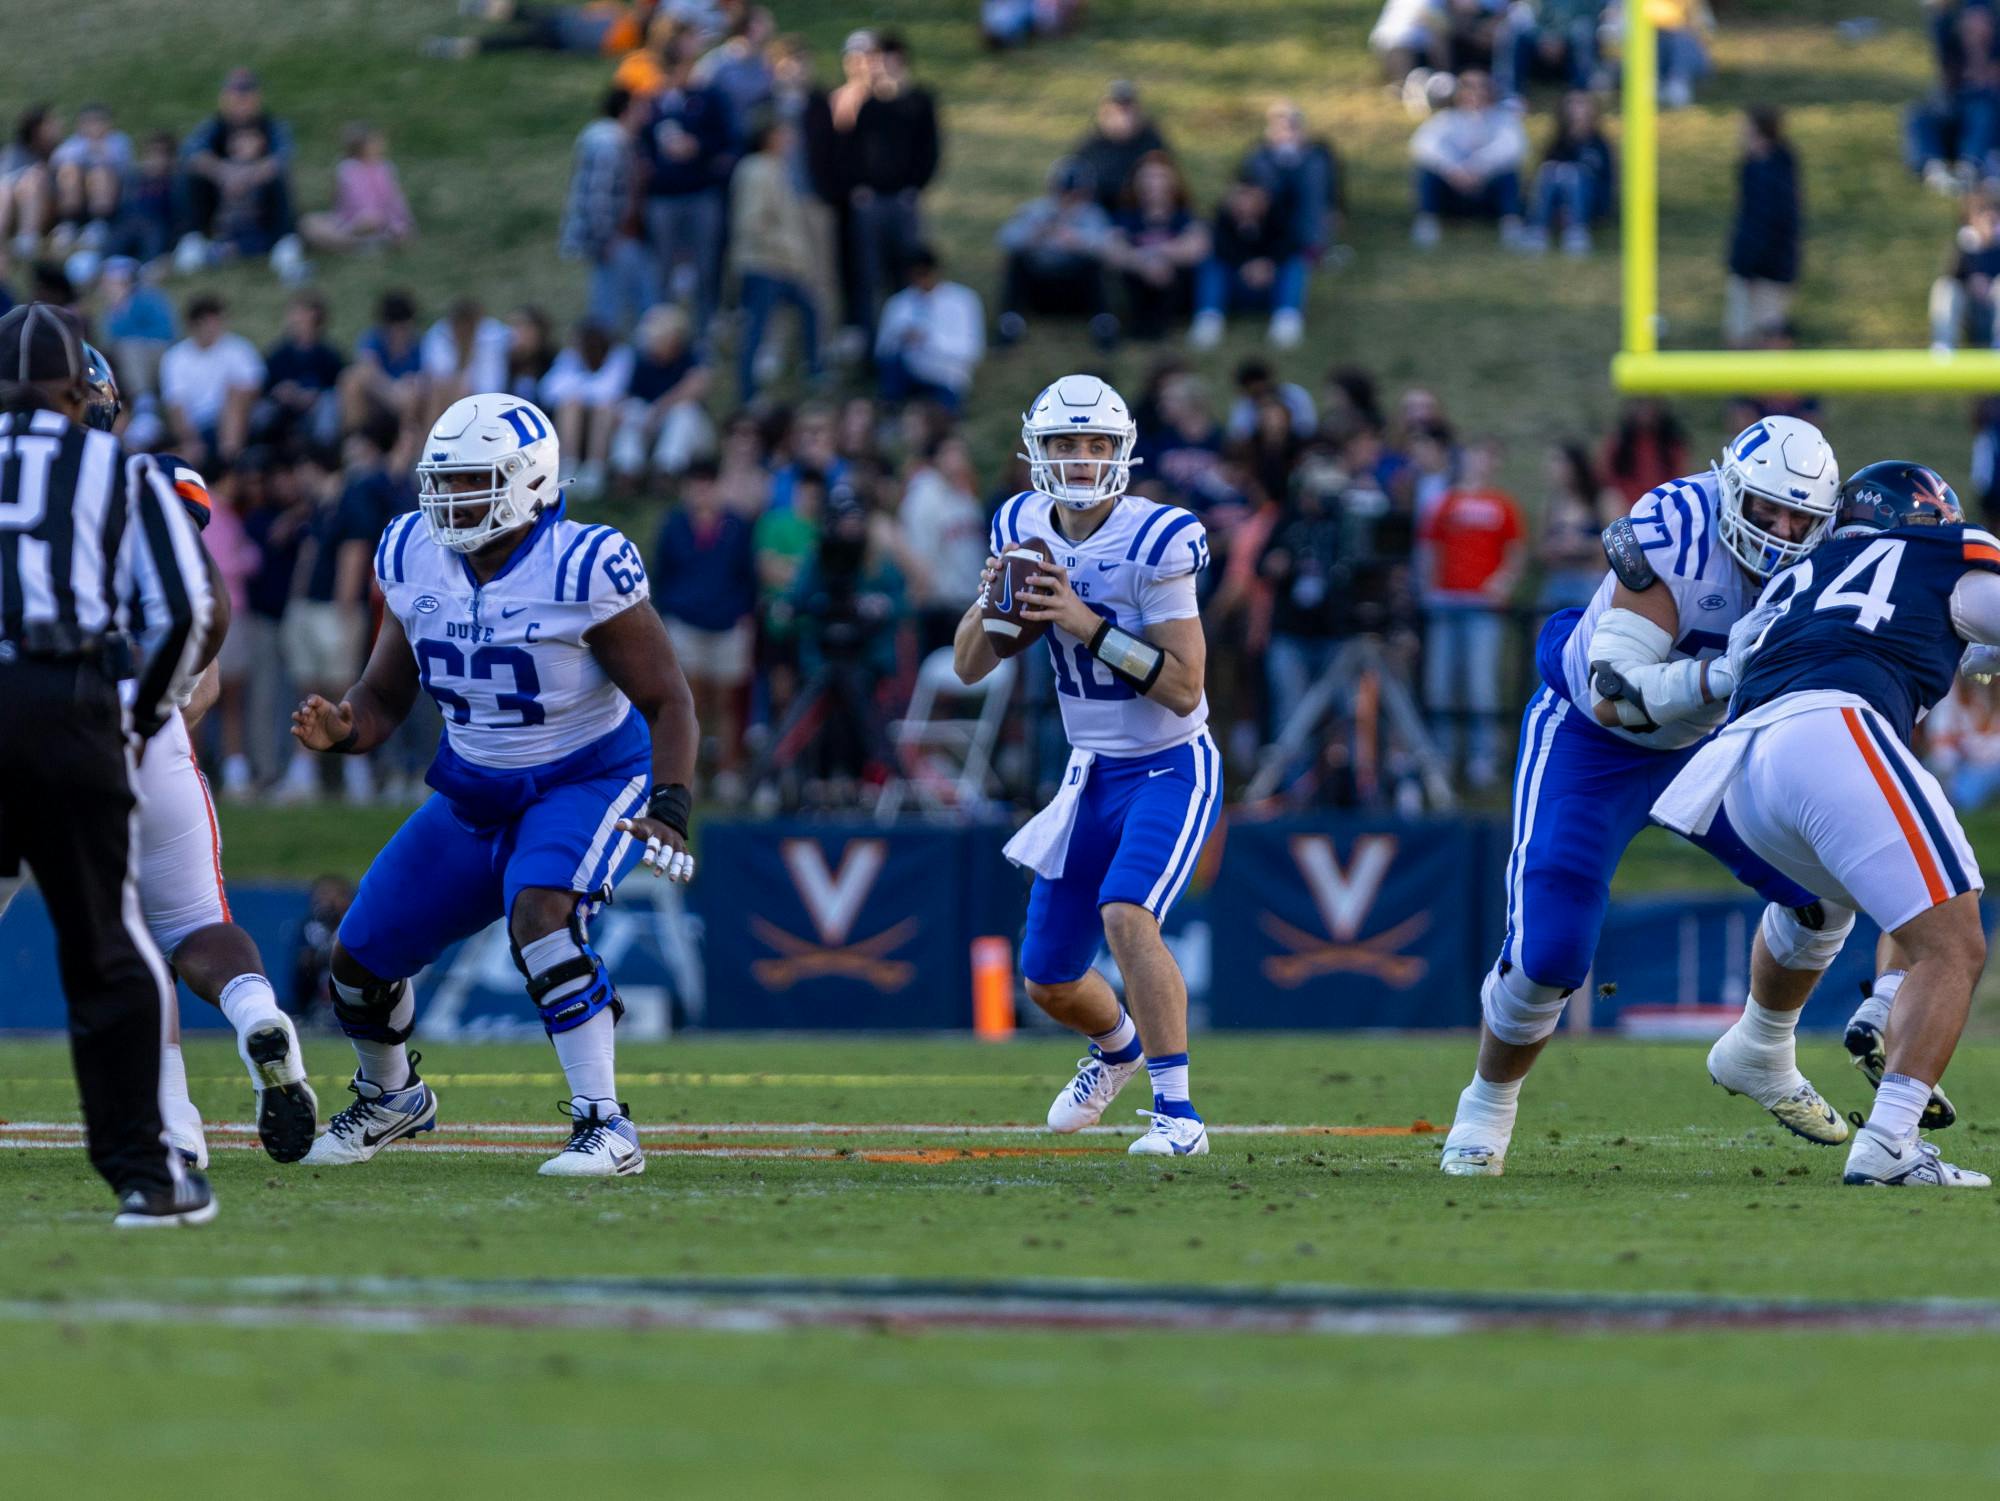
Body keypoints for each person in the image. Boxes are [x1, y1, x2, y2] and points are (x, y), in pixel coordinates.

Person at [291, 393, 700, 1176]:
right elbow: (383, 695)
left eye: (473, 481)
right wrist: (344, 728)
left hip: (589, 774)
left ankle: (606, 1125)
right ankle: (392, 1097)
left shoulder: (581, 564)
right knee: (359, 957)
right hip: (474, 787)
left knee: (541, 913)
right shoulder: (412, 550)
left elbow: (667, 698)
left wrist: (672, 805)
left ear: (530, 480)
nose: (449, 501)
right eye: (441, 482)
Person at [1438, 417, 1849, 1178]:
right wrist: (1720, 677)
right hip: (1593, 743)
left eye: (1802, 518)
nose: (1784, 532)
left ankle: (1762, 1047)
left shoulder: (1832, 559)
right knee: (1550, 951)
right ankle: (1488, 1103)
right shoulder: (1676, 530)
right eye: (1767, 510)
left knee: (1830, 888)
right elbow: (1613, 696)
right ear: (1731, 491)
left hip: (1715, 750)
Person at [1655, 462, 1998, 1187]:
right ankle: (1891, 1141)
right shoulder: (1945, 554)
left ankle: (1804, 1026)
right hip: (1833, 730)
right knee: (1957, 939)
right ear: (1927, 516)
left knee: (1853, 898)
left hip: (1739, 772)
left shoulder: (1800, 577)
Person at [57, 346, 318, 1169]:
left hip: (32, 724)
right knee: (193, 924)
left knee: (116, 933)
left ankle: (174, 1118)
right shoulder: (149, 484)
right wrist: (191, 679)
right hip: (149, 719)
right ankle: (254, 1018)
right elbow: (205, 593)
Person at [953, 374, 1220, 1156]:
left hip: (1171, 764)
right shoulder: (1020, 522)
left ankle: (1179, 1115)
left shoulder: (1158, 538)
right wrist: (989, 606)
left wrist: (1082, 620)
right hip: (1090, 769)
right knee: (1048, 978)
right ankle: (1117, 1050)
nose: (1079, 459)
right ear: (1038, 452)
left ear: (1122, 451)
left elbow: (1183, 686)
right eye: (1066, 444)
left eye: (1095, 444)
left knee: (1127, 914)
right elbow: (970, 666)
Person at [0, 303, 214, 1225]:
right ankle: (148, 1170)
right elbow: (189, 611)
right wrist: (132, 718)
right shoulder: (116, 469)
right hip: (66, 705)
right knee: (107, 945)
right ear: (72, 388)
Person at [1417, 438, 1525, 788]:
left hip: (1482, 604)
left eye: (1485, 456)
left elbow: (1516, 550)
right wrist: (1428, 590)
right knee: (1441, 683)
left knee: (1480, 683)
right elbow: (1429, 549)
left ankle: (1483, 758)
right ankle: (1443, 757)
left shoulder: (1502, 505)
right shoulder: (1442, 503)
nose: (1478, 462)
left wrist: (1504, 582)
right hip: (1446, 602)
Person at [653, 459, 756, 779]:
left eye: (708, 484)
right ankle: (688, 772)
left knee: (727, 703)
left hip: (727, 623)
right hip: (685, 622)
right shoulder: (673, 525)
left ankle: (727, 770)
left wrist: (744, 615)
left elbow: (748, 577)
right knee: (689, 701)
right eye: (696, 484)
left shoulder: (738, 526)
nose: (702, 491)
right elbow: (661, 574)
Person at [641, 38, 740, 329]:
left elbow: (727, 141)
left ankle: (704, 327)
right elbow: (641, 145)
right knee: (663, 267)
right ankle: (663, 330)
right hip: (663, 198)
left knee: (706, 265)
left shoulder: (708, 98)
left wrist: (698, 147)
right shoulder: (652, 104)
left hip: (701, 193)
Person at [176, 68, 308, 283]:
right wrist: (224, 173)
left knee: (280, 178)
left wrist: (247, 175)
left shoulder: (271, 126)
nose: (240, 103)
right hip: (222, 195)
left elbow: (283, 156)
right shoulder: (215, 126)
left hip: (259, 195)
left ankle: (284, 241)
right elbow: (191, 152)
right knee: (191, 176)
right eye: (235, 96)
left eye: (246, 97)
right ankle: (193, 238)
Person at [731, 117, 822, 401]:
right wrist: (788, 249)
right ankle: (748, 392)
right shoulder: (758, 170)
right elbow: (753, 222)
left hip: (781, 265)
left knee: (809, 309)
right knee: (757, 326)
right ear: (769, 137)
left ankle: (814, 370)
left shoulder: (774, 168)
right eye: (783, 134)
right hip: (764, 263)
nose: (789, 140)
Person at [559, 88, 657, 337]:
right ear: (626, 110)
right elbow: (597, 196)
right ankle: (603, 362)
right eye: (639, 107)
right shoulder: (607, 143)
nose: (645, 113)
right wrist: (604, 239)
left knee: (640, 301)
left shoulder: (622, 142)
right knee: (610, 310)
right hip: (615, 239)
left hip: (625, 238)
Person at [995, 158, 1115, 348]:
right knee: (1016, 261)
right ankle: (1010, 322)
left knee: (1094, 264)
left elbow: (1111, 246)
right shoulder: (1034, 211)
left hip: (1075, 290)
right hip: (1039, 287)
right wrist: (1034, 236)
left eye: (1076, 194)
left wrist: (1081, 242)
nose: (1069, 199)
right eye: (1064, 192)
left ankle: (1103, 323)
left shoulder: (1093, 215)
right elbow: (1005, 240)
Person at [1189, 173, 1309, 350]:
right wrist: (1244, 265)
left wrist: (1267, 264)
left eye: (1252, 197)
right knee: (1211, 263)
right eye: (1241, 197)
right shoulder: (1223, 219)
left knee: (1294, 264)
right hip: (1236, 286)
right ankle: (1209, 317)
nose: (1246, 204)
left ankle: (1286, 317)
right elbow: (1220, 246)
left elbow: (1291, 244)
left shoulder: (1279, 216)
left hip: (1270, 285)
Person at [1409, 70, 1527, 250]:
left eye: (1481, 87)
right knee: (1426, 171)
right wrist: (1453, 169)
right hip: (1453, 190)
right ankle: (1427, 221)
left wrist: (1479, 167)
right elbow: (1423, 144)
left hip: (1486, 190)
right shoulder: (1447, 119)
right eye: (1469, 87)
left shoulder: (1503, 119)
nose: (1476, 93)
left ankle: (1510, 224)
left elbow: (1513, 146)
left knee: (1509, 172)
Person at [1107, 153, 1209, 342]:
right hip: (1137, 278)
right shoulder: (1126, 216)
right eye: (1148, 178)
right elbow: (1114, 249)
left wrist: (1163, 256)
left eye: (1160, 177)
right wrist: (1143, 263)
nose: (1154, 184)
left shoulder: (1184, 216)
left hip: (1174, 280)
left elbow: (1197, 247)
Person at [609, 303, 712, 487]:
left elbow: (695, 386)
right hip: (653, 425)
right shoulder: (642, 360)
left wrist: (660, 408)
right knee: (631, 411)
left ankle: (667, 471)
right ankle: (628, 469)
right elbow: (625, 396)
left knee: (684, 411)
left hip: (690, 431)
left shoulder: (690, 355)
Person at [158, 293, 265, 470]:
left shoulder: (238, 349)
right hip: (198, 424)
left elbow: (253, 389)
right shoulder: (175, 358)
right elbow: (176, 404)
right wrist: (190, 438)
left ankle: (231, 456)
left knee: (235, 394)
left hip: (238, 418)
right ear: (194, 325)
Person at [1724, 105, 1801, 348]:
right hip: (1768, 265)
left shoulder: (1767, 173)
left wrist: (1749, 267)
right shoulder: (1769, 167)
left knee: (1763, 334)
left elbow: (1764, 223)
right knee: (1761, 331)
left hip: (1764, 268)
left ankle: (1772, 385)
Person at [873, 246, 984, 412]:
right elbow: (882, 351)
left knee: (942, 413)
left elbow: (972, 351)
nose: (921, 281)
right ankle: (892, 410)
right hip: (907, 373)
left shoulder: (963, 301)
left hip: (946, 377)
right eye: (915, 275)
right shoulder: (898, 304)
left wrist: (928, 339)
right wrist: (900, 337)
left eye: (924, 274)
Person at [298, 122, 414, 253]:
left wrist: (401, 221)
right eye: (374, 141)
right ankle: (367, 243)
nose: (380, 145)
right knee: (308, 223)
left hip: (382, 221)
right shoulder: (348, 168)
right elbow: (351, 200)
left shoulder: (385, 167)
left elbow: (395, 198)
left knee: (375, 222)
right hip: (353, 223)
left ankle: (363, 243)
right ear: (361, 145)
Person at [1524, 91, 1614, 256]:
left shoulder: (1599, 144)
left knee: (1574, 173)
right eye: (1573, 104)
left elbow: (1605, 181)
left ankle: (1576, 230)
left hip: (1590, 202)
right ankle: (1538, 229)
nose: (1577, 110)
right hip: (1556, 203)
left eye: (1582, 104)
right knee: (1550, 170)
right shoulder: (1557, 142)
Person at [1070, 80, 1169, 215]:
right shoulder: (1092, 142)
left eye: (1128, 108)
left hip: (1139, 214)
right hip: (1099, 215)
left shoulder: (1151, 140)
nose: (1123, 115)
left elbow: (1166, 179)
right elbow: (1074, 175)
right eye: (1117, 108)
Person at [1930, 185, 2000, 351]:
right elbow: (1951, 276)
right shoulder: (1963, 248)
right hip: (1969, 310)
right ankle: (1943, 348)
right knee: (1945, 287)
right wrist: (1972, 277)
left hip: (1993, 309)